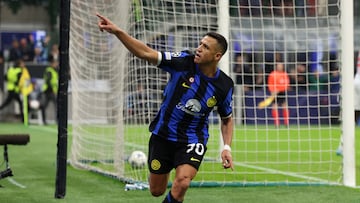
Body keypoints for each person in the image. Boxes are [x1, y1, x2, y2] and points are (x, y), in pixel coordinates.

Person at [97, 13, 234, 203]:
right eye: (200, 44)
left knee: (182, 182)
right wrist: (118, 32)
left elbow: (226, 118)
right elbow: (145, 52)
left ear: (217, 56)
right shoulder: (183, 62)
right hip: (163, 135)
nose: (199, 49)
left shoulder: (224, 85)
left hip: (192, 139)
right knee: (156, 190)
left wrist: (226, 147)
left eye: (205, 47)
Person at [267, 61, 290, 127]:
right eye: (278, 65)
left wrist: (279, 89)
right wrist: (272, 91)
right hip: (274, 93)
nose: (279, 67)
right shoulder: (272, 74)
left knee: (285, 106)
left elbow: (287, 84)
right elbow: (270, 84)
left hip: (282, 92)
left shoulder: (285, 74)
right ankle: (277, 123)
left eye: (281, 65)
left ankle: (286, 122)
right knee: (275, 106)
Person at [40, 59, 59, 125]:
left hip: (51, 91)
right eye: (55, 63)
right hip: (48, 91)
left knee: (56, 106)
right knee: (45, 106)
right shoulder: (49, 70)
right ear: (52, 64)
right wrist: (52, 89)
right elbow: (48, 81)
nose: (56, 65)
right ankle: (44, 120)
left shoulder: (54, 71)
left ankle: (57, 120)